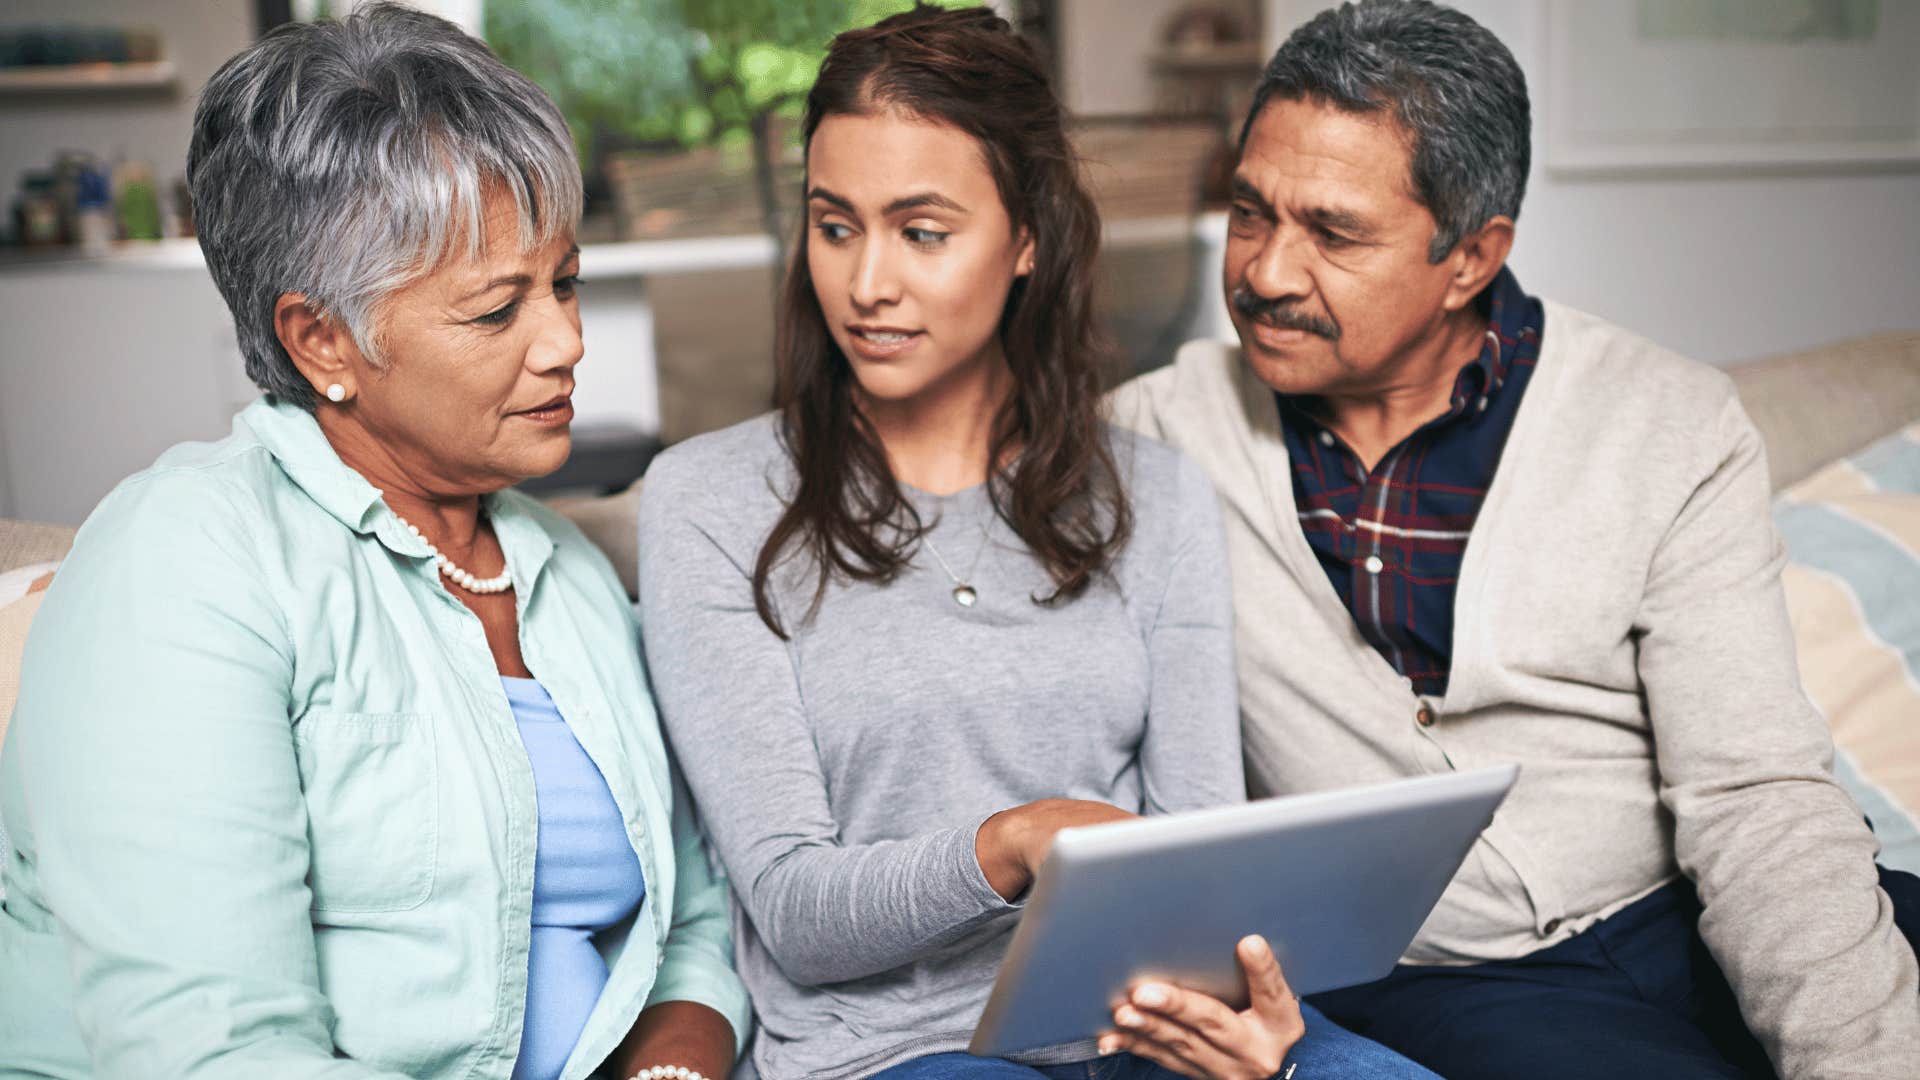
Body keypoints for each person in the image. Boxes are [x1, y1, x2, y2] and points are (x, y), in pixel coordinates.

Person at [1108, 1, 1920, 1077]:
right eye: (1252, 213)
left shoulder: (1670, 422)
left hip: (1692, 900)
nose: (1263, 273)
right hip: (1455, 983)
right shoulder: (1153, 437)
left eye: (1333, 233)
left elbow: (1751, 794)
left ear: (1471, 256)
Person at [635, 7, 1437, 1080]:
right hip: (904, 1053)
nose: (867, 283)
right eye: (836, 226)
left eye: (922, 232)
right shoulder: (711, 501)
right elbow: (794, 912)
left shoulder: (1155, 496)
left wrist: (1259, 1038)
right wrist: (1012, 842)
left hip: (1158, 1027)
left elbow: (1200, 857)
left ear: (1026, 240)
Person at [0, 7, 748, 1079]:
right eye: (498, 311)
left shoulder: (569, 575)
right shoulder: (187, 561)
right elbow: (213, 1052)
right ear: (323, 340)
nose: (567, 342)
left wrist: (675, 1065)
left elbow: (689, 925)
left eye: (566, 282)